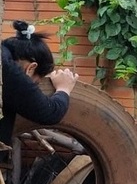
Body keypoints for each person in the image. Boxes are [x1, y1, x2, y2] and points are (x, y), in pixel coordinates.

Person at [0, 20, 79, 148]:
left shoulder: (4, 55)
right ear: (31, 68)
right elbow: (50, 113)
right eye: (35, 83)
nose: (31, 88)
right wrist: (64, 88)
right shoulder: (9, 71)